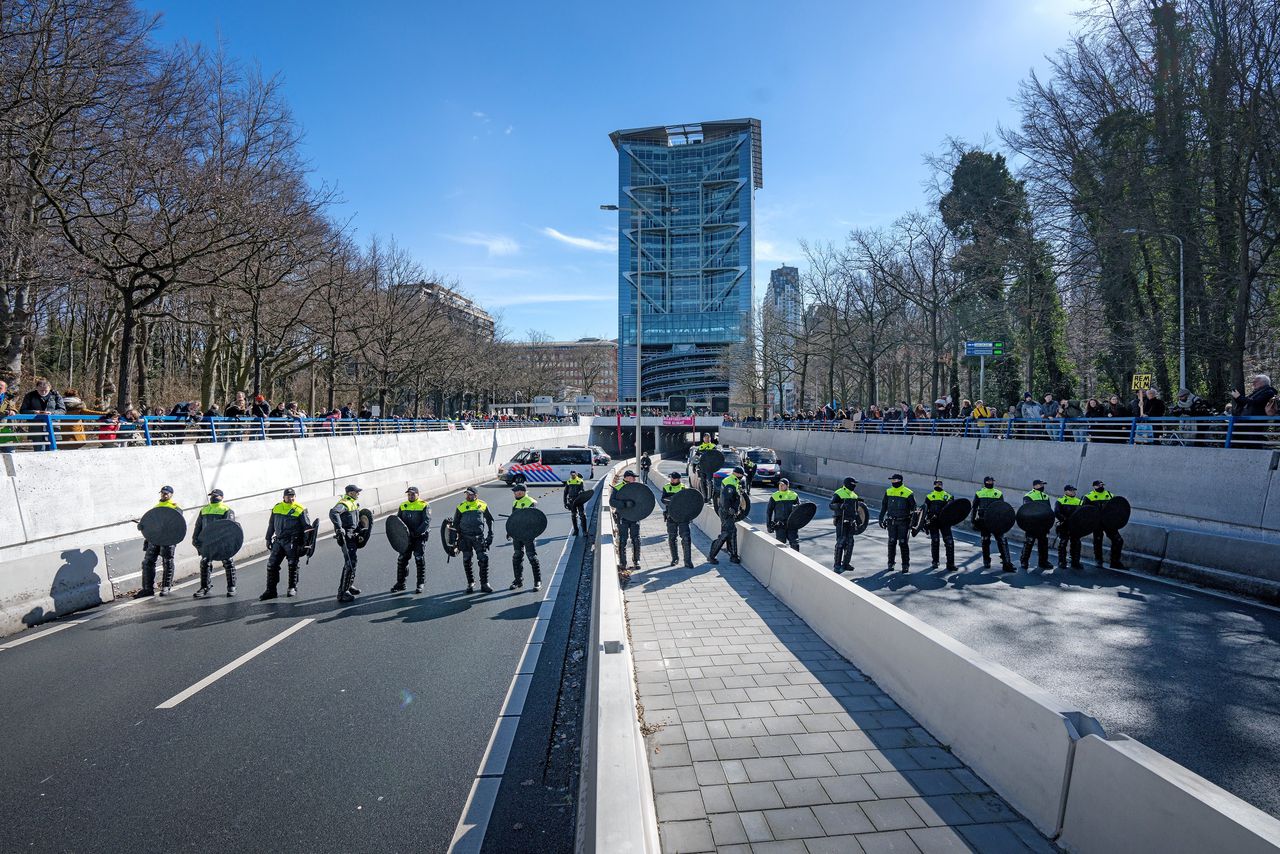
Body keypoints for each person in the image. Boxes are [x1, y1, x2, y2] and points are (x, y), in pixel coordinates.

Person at [262, 487, 311, 600]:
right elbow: (271, 524)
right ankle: (271, 591)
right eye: (288, 496)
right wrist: (268, 538)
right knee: (271, 565)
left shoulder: (300, 509)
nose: (291, 498)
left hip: (293, 541)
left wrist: (306, 544)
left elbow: (307, 528)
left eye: (293, 496)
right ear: (283, 497)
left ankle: (292, 588)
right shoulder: (277, 507)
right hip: (278, 541)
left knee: (292, 564)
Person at [136, 485, 181, 597]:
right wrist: (143, 526)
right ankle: (148, 588)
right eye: (162, 492)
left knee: (167, 561)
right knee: (147, 562)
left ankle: (166, 586)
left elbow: (177, 524)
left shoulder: (175, 508)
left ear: (171, 494)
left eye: (166, 493)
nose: (164, 494)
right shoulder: (156, 507)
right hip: (154, 538)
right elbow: (152, 524)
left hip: (168, 539)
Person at [192, 488, 237, 597]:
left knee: (228, 562)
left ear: (222, 497)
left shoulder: (226, 510)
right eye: (212, 495)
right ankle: (204, 587)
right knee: (205, 563)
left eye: (216, 495)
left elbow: (229, 528)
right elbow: (198, 526)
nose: (213, 497)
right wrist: (195, 539)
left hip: (222, 542)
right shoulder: (204, 510)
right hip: (208, 542)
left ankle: (231, 587)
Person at [454, 486, 495, 593]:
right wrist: (457, 538)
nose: (467, 496)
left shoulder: (483, 505)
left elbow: (490, 520)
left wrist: (490, 535)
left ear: (476, 495)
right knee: (467, 560)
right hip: (465, 538)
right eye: (466, 494)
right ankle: (470, 583)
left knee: (483, 559)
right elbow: (455, 523)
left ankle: (484, 583)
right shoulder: (461, 506)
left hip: (479, 537)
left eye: (470, 494)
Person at [392, 486, 430, 594]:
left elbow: (426, 522)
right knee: (402, 559)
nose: (410, 496)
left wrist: (416, 533)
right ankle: (401, 583)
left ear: (418, 494)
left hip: (418, 537)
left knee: (419, 559)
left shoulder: (424, 505)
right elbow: (397, 522)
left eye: (413, 494)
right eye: (409, 494)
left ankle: (420, 583)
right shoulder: (403, 506)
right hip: (406, 539)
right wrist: (402, 535)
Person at [971, 476, 1014, 572]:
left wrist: (1004, 521)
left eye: (991, 481)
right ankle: (986, 561)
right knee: (985, 541)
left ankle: (1006, 563)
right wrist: (973, 520)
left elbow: (1002, 508)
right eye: (988, 481)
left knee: (1002, 540)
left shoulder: (998, 493)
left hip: (996, 521)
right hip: (983, 521)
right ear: (985, 482)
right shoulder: (979, 493)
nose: (990, 482)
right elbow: (974, 508)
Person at [331, 484, 364, 603]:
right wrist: (339, 528)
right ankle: (342, 593)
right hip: (347, 537)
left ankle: (349, 585)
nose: (358, 493)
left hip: (353, 536)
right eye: (356, 492)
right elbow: (333, 512)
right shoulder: (344, 503)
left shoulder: (353, 502)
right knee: (350, 563)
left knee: (353, 561)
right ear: (350, 493)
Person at [1084, 480, 1125, 569]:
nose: (1101, 486)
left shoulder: (1110, 495)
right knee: (1098, 541)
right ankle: (1098, 560)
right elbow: (1085, 512)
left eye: (1102, 485)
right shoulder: (1088, 497)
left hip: (1109, 522)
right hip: (1097, 522)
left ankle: (1115, 562)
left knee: (1118, 540)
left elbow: (1116, 507)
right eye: (1099, 485)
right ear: (1094, 486)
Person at [507, 483, 541, 591]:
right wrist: (509, 531)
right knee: (517, 556)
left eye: (516, 491)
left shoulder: (531, 502)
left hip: (528, 535)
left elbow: (534, 520)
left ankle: (538, 582)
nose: (514, 493)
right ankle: (518, 581)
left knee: (532, 557)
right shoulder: (515, 502)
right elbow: (512, 518)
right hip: (517, 534)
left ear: (522, 492)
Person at [879, 473, 916, 572]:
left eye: (894, 480)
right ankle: (890, 563)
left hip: (903, 522)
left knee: (903, 543)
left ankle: (905, 565)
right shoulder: (888, 491)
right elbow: (884, 506)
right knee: (891, 542)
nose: (892, 482)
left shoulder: (908, 492)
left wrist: (913, 523)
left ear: (899, 480)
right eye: (892, 480)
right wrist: (880, 518)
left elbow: (914, 509)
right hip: (891, 521)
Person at [608, 470, 642, 571]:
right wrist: (624, 504)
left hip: (634, 517)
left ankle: (636, 560)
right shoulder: (618, 487)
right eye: (633, 477)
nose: (635, 479)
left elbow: (642, 500)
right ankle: (623, 562)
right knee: (623, 540)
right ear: (627, 477)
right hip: (623, 517)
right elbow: (612, 502)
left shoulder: (636, 487)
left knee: (636, 539)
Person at [708, 469, 743, 565]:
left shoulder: (734, 481)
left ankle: (733, 555)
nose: (742, 476)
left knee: (732, 531)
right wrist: (729, 510)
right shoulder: (730, 482)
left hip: (727, 511)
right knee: (725, 533)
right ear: (736, 473)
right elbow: (725, 499)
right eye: (741, 474)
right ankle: (712, 555)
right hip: (726, 512)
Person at [660, 471, 694, 568]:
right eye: (671, 478)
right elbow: (663, 500)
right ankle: (675, 558)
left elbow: (688, 501)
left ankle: (688, 561)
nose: (672, 479)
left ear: (678, 479)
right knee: (672, 537)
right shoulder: (666, 487)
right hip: (671, 516)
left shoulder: (684, 488)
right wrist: (674, 499)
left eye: (674, 478)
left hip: (683, 516)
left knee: (686, 538)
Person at [923, 479, 957, 572]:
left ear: (942, 485)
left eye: (940, 484)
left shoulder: (947, 496)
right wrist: (924, 523)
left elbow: (953, 509)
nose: (938, 485)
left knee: (949, 542)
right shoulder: (929, 496)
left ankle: (950, 564)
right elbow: (924, 511)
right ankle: (935, 561)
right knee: (935, 541)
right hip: (933, 522)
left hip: (945, 522)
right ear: (934, 485)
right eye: (936, 484)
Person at [1020, 479, 1054, 570]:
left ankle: (1043, 562)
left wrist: (1048, 524)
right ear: (1034, 486)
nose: (1042, 486)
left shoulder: (1046, 496)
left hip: (1043, 525)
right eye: (1040, 485)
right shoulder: (1028, 496)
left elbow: (1048, 511)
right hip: (1032, 524)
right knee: (1029, 543)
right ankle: (1024, 561)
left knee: (1043, 543)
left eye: (1043, 485)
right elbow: (1028, 510)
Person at [829, 476, 861, 573]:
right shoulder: (838, 493)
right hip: (841, 521)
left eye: (855, 484)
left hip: (851, 522)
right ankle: (837, 565)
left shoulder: (854, 495)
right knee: (840, 542)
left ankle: (846, 563)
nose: (854, 485)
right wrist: (840, 506)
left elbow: (856, 510)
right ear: (847, 483)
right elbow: (831, 505)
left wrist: (859, 521)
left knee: (850, 543)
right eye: (853, 484)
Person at [1054, 485, 1084, 569]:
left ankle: (1075, 562)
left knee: (1076, 543)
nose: (1073, 492)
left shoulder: (1079, 501)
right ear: (1066, 491)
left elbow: (1083, 514)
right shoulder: (1060, 501)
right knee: (1063, 543)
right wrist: (1064, 519)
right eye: (1071, 490)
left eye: (1074, 490)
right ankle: (1062, 562)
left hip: (1075, 526)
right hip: (1064, 525)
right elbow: (1057, 512)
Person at [766, 477, 800, 550]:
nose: (780, 486)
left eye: (783, 485)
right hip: (780, 525)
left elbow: (800, 511)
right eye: (779, 485)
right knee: (781, 546)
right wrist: (768, 525)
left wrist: (798, 523)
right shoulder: (774, 496)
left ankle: (794, 561)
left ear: (787, 486)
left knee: (795, 544)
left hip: (792, 525)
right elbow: (769, 511)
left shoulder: (794, 495)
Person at [564, 470, 588, 535]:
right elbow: (565, 493)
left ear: (576, 475)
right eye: (572, 475)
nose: (573, 476)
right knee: (573, 515)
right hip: (571, 501)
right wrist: (565, 502)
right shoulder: (568, 482)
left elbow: (583, 490)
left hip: (579, 500)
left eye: (574, 475)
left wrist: (581, 491)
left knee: (582, 515)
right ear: (570, 475)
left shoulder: (580, 481)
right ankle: (576, 530)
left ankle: (584, 531)